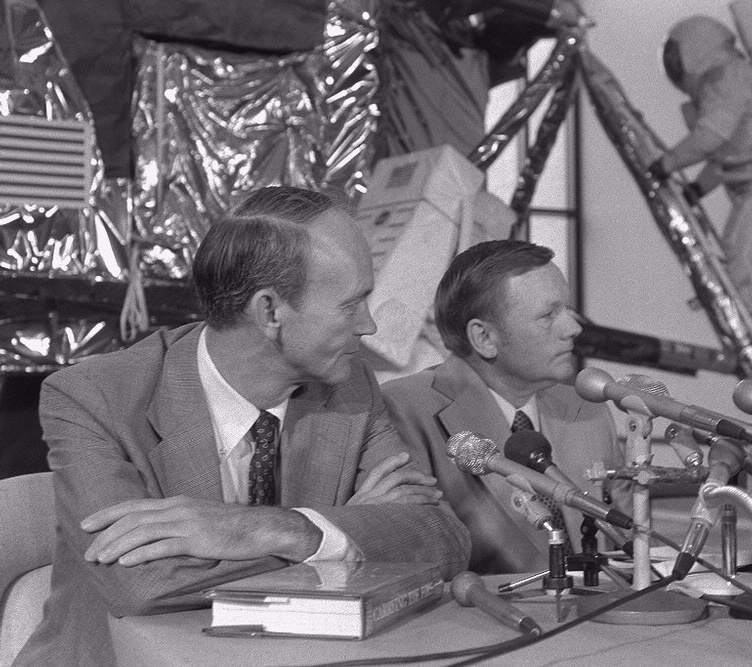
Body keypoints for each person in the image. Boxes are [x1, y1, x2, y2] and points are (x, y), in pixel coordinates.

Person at [14, 186, 471, 667]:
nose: (369, 326)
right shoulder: (94, 397)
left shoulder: (351, 385)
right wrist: (342, 534)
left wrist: (280, 529)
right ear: (269, 311)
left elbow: (441, 538)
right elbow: (141, 586)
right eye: (350, 304)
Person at [380, 240, 630, 574]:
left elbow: (629, 541)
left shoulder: (586, 407)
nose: (574, 328)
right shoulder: (405, 409)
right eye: (548, 315)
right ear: (484, 338)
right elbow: (425, 555)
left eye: (567, 310)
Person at [652, 15, 752, 361]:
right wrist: (698, 188)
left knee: (751, 263)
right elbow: (730, 152)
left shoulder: (729, 77)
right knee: (738, 262)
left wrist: (668, 162)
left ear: (695, 49)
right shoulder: (726, 80)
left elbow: (711, 137)